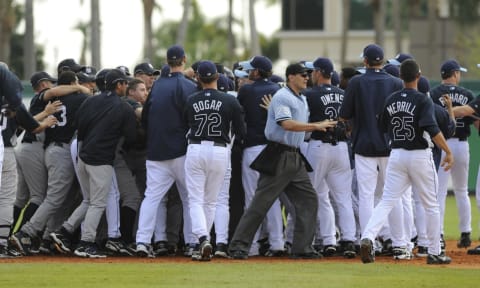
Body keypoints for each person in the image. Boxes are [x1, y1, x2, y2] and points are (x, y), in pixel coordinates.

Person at [228, 62, 337, 259]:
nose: (306, 77)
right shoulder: (283, 96)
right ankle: (238, 246)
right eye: (302, 74)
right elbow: (286, 124)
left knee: (309, 199)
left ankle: (302, 248)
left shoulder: (301, 99)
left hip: (295, 155)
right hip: (279, 154)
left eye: (308, 74)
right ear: (291, 77)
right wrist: (315, 126)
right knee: (261, 202)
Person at [359, 59, 453, 265]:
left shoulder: (390, 100)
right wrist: (447, 150)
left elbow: (382, 126)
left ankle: (367, 237)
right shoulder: (423, 100)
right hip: (419, 155)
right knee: (431, 205)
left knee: (387, 201)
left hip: (397, 154)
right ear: (418, 76)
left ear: (400, 77)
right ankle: (435, 252)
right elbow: (432, 128)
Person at [51, 69, 136, 258]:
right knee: (98, 202)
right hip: (101, 159)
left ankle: (63, 232)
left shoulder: (90, 100)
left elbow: (77, 124)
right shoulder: (123, 107)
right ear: (118, 84)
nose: (126, 86)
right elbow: (132, 137)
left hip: (82, 154)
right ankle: (86, 242)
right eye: (124, 83)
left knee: (89, 200)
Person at [11, 70, 89, 255]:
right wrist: (81, 88)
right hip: (48, 150)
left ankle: (47, 237)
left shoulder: (52, 100)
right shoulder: (55, 98)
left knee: (55, 197)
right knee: (48, 197)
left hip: (46, 149)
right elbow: (55, 93)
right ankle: (26, 233)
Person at [339, 44, 404, 253]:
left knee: (366, 195)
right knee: (392, 195)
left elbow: (344, 114)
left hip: (364, 144)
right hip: (390, 145)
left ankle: (370, 241)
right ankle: (398, 242)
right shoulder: (395, 82)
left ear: (365, 61)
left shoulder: (357, 82)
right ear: (382, 61)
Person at [135, 44, 197, 257]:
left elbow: (145, 118)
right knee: (190, 198)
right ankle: (192, 243)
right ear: (184, 59)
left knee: (151, 198)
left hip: (156, 151)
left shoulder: (157, 86)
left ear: (168, 61)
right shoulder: (189, 86)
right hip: (181, 151)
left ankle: (142, 242)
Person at [184, 60, 246, 261]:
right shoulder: (230, 101)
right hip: (221, 150)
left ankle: (202, 239)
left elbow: (186, 123)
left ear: (198, 78)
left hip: (196, 147)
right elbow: (241, 131)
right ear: (217, 77)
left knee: (195, 199)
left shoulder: (191, 99)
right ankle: (205, 240)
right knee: (211, 201)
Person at [0, 64, 57, 258]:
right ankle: (6, 241)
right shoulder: (11, 100)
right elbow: (30, 125)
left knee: (15, 198)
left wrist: (43, 116)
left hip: (12, 149)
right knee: (8, 199)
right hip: (7, 149)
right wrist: (45, 121)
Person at [304, 57, 356, 258]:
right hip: (342, 147)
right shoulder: (344, 93)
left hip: (318, 146)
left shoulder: (309, 94)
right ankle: (349, 240)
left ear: (318, 72)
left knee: (314, 195)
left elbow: (304, 122)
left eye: (313, 71)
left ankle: (325, 240)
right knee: (343, 197)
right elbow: (351, 123)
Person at [236, 55, 284, 256]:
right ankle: (277, 244)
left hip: (253, 147)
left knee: (252, 198)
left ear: (257, 72)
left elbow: (239, 115)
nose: (249, 72)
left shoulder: (246, 90)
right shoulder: (278, 90)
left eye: (251, 70)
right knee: (272, 198)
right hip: (273, 148)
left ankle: (252, 245)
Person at [429, 59, 474, 250]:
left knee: (439, 191)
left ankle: (438, 234)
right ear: (454, 74)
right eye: (459, 72)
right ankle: (466, 233)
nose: (459, 75)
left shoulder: (433, 94)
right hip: (461, 144)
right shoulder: (468, 94)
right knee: (462, 191)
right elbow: (474, 119)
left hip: (442, 143)